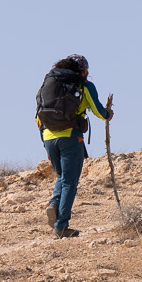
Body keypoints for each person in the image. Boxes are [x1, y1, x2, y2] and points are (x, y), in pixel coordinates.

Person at [37, 55, 112, 238]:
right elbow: (98, 110)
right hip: (71, 137)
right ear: (83, 71)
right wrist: (108, 114)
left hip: (48, 136)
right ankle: (61, 227)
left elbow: (38, 117)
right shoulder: (84, 85)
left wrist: (45, 144)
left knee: (63, 176)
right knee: (70, 181)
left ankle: (54, 203)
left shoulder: (49, 84)